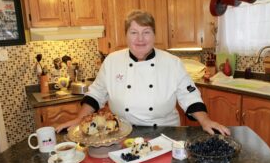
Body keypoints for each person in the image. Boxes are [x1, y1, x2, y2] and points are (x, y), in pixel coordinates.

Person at [56, 10, 230, 136]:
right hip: (121, 134)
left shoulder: (172, 63)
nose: (140, 39)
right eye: (134, 33)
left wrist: (205, 121)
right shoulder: (112, 61)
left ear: (154, 35)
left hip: (165, 135)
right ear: (126, 36)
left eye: (146, 32)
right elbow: (96, 94)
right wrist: (79, 119)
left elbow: (190, 97)